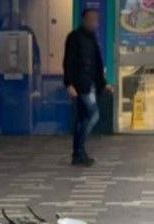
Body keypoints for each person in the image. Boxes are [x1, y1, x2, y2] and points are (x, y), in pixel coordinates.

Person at [63, 8, 112, 167]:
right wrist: (69, 84)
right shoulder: (74, 38)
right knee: (93, 115)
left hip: (89, 83)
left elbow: (97, 64)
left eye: (96, 20)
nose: (95, 23)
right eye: (91, 19)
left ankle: (78, 152)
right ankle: (78, 151)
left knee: (83, 118)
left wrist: (103, 84)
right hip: (81, 85)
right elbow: (68, 62)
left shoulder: (92, 38)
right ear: (84, 20)